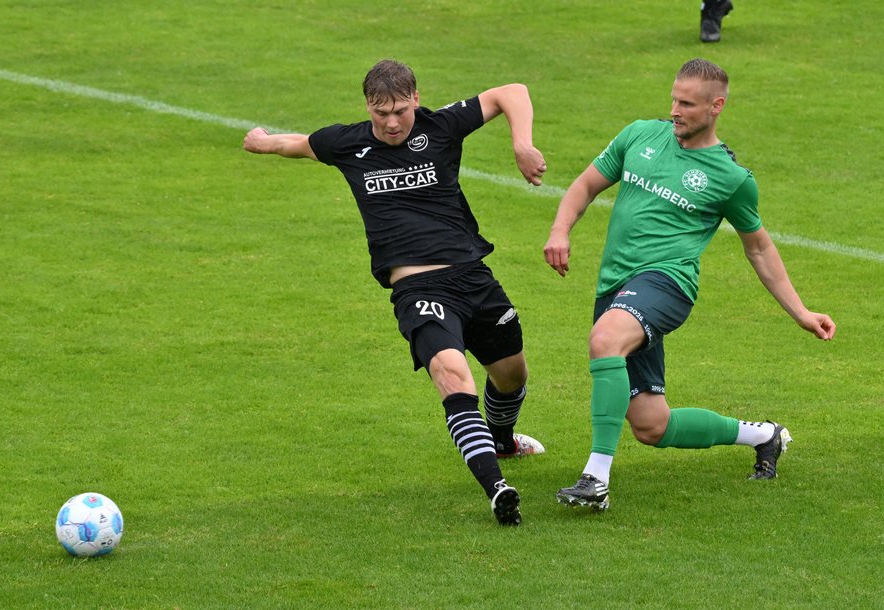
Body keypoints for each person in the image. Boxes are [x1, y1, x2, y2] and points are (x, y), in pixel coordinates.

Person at [243, 59, 548, 525]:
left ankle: (503, 441)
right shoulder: (347, 143)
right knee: (452, 374)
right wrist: (263, 141)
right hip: (417, 290)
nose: (391, 123)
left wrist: (522, 145)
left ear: (416, 100)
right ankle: (497, 489)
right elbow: (298, 144)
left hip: (473, 278)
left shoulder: (440, 127)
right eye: (381, 112)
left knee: (511, 376)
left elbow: (512, 90)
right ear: (367, 105)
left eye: (401, 111)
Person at [542, 58, 836, 512]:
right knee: (651, 426)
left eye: (687, 104)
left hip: (667, 284)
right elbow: (585, 186)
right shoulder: (640, 134)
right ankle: (764, 435)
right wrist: (560, 230)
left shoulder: (731, 178)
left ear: (716, 107)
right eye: (674, 99)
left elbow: (759, 248)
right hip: (616, 286)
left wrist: (801, 312)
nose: (675, 110)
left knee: (605, 339)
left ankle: (595, 479)